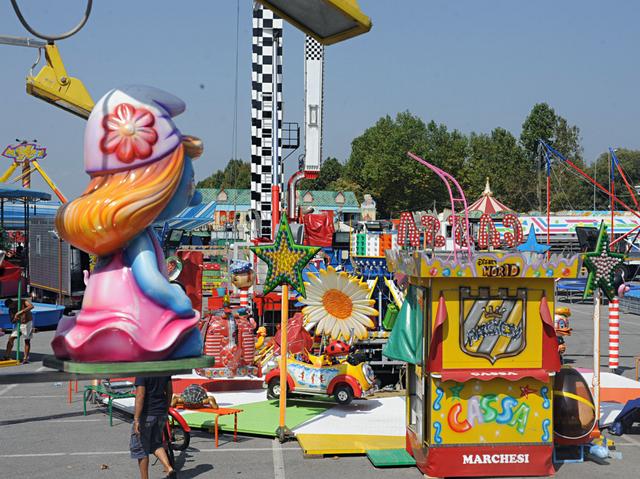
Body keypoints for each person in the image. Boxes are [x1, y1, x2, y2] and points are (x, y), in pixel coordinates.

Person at [51, 86, 204, 362]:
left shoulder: (118, 238)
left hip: (104, 318)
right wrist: (176, 298)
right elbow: (150, 282)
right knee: (189, 338)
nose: (196, 196)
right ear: (159, 183)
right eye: (190, 184)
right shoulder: (137, 237)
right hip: (129, 323)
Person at [130, 376, 176, 479]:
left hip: (146, 414)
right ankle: (169, 468)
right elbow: (169, 392)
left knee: (141, 448)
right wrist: (166, 409)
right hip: (160, 412)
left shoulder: (143, 372)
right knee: (156, 444)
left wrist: (136, 419)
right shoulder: (164, 369)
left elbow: (140, 396)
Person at [4, 298, 34, 363]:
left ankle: (25, 358)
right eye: (9, 307)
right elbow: (12, 321)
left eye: (11, 306)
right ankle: (7, 356)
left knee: (26, 340)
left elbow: (31, 306)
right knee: (11, 338)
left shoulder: (22, 301)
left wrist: (21, 311)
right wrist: (15, 318)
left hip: (27, 323)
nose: (11, 308)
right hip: (19, 324)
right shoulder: (10, 310)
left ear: (13, 302)